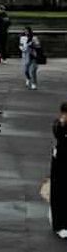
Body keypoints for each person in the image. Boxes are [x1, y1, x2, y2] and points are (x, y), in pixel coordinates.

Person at [52, 102, 67, 239]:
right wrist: (62, 124)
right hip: (61, 163)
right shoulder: (59, 125)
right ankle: (59, 225)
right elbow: (58, 136)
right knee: (59, 193)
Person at [19, 26, 42, 90]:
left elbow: (38, 45)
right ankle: (28, 78)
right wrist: (22, 49)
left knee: (32, 70)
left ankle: (33, 84)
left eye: (27, 31)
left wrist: (33, 44)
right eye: (25, 31)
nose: (26, 32)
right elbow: (20, 45)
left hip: (33, 55)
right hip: (26, 55)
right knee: (26, 70)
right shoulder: (22, 38)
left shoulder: (34, 38)